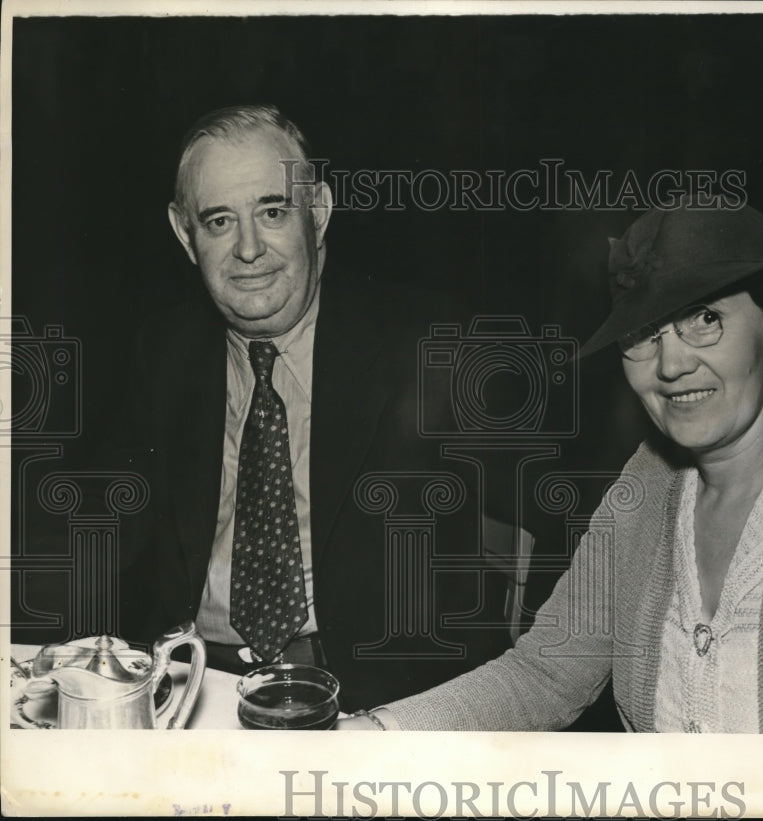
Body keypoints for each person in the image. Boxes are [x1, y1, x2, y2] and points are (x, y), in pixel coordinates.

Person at [338, 202, 763, 734]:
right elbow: (545, 674)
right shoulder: (647, 482)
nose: (670, 366)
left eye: (706, 320)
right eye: (644, 334)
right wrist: (377, 734)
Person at [114, 104, 506, 709]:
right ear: (184, 234)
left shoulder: (430, 346)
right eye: (219, 221)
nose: (248, 249)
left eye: (273, 212)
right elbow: (116, 553)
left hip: (370, 699)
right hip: (196, 686)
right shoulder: (162, 353)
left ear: (317, 212)